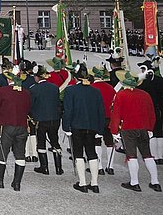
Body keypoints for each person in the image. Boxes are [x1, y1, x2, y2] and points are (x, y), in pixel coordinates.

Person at [110, 70, 160, 192]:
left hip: (128, 129)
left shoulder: (121, 95)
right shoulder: (145, 95)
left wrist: (114, 130)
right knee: (147, 155)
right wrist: (150, 128)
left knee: (131, 156)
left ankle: (134, 182)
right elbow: (151, 114)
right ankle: (155, 182)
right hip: (144, 128)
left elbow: (116, 114)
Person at [62, 62, 106, 193]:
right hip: (92, 126)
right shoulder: (96, 91)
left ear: (76, 77)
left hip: (77, 125)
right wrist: (100, 129)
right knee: (92, 153)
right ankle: (95, 183)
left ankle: (82, 183)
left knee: (79, 154)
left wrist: (66, 127)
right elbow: (101, 112)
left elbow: (68, 110)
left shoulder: (70, 90)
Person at [0, 70, 31, 191]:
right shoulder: (26, 93)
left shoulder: (3, 91)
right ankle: (17, 183)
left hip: (7, 125)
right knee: (20, 154)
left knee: (2, 152)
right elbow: (28, 108)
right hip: (22, 126)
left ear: (9, 80)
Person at [29, 65, 63, 176]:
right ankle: (59, 168)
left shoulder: (33, 89)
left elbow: (31, 106)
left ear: (37, 77)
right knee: (55, 142)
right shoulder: (54, 87)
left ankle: (44, 167)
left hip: (41, 119)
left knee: (41, 142)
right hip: (54, 118)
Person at [90, 65, 117, 175]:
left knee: (96, 142)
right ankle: (110, 166)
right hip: (110, 118)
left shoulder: (92, 88)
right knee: (110, 142)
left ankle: (99, 166)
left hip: (96, 118)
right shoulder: (111, 88)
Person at [136, 59, 163, 165]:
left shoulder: (142, 82)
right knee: (159, 132)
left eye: (143, 68)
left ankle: (154, 156)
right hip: (159, 109)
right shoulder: (160, 80)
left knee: (151, 131)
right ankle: (160, 156)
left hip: (148, 110)